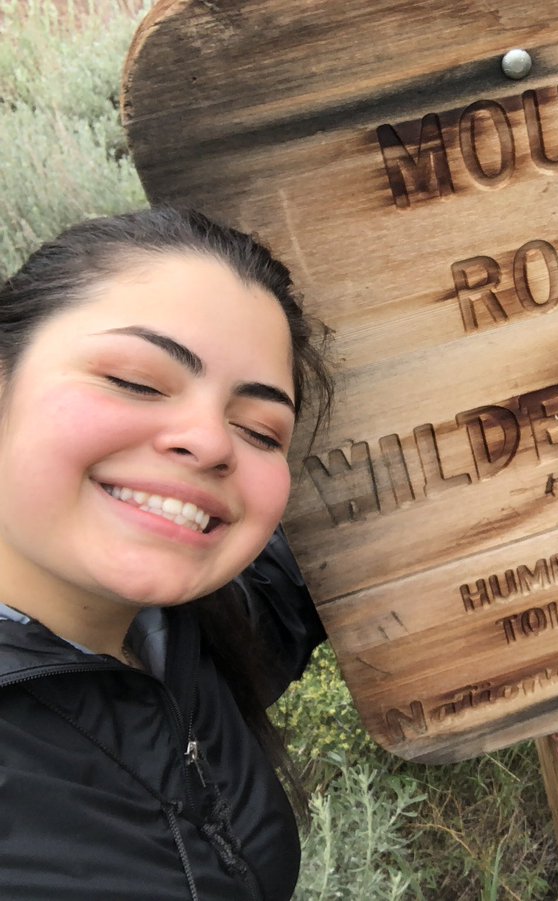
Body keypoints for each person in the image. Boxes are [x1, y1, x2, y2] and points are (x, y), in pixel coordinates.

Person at [0, 208, 334, 900]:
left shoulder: (172, 632)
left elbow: (280, 597)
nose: (211, 442)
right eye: (137, 381)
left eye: (259, 429)